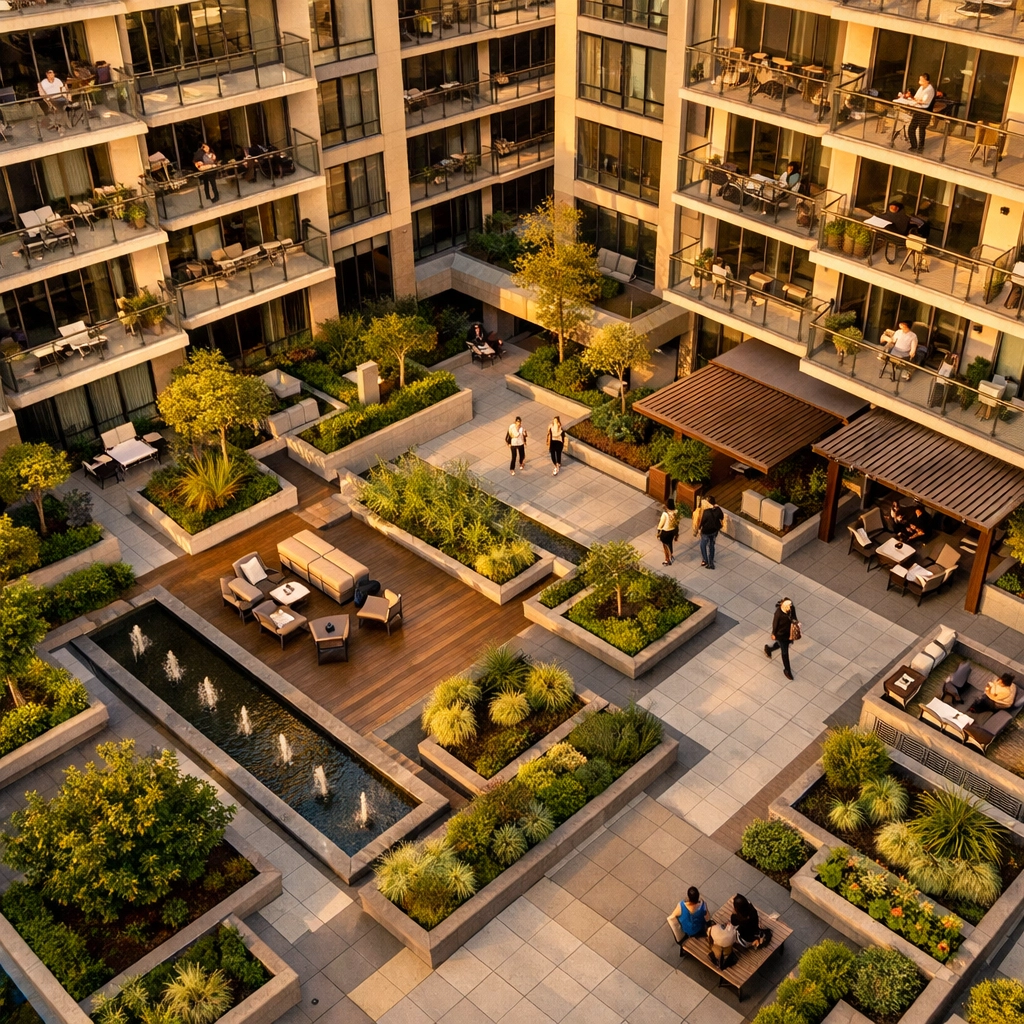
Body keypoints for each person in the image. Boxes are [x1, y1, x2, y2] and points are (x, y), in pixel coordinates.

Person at [765, 598, 798, 681]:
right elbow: (775, 624)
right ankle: (787, 670)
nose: (789, 608)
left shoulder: (791, 608)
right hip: (781, 635)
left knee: (784, 645)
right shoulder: (778, 613)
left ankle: (769, 649)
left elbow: (794, 617)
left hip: (789, 633)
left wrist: (795, 624)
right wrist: (773, 633)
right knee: (785, 652)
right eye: (788, 607)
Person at [901, 73, 935, 151]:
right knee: (911, 128)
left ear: (926, 81)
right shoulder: (921, 88)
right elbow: (917, 97)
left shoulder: (930, 90)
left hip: (925, 111)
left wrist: (913, 98)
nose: (919, 81)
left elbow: (923, 101)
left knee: (921, 129)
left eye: (921, 80)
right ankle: (914, 145)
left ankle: (921, 146)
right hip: (918, 109)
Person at [699, 496, 724, 569]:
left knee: (703, 545)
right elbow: (721, 517)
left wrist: (699, 528)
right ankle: (711, 562)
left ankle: (705, 560)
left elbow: (702, 522)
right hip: (714, 531)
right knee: (711, 546)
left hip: (706, 531)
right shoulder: (718, 509)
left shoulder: (706, 512)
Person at [657, 500, 679, 566]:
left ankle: (667, 559)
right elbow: (677, 522)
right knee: (670, 543)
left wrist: (659, 530)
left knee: (665, 545)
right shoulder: (676, 512)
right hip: (672, 531)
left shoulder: (665, 514)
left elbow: (661, 523)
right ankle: (671, 555)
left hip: (665, 531)